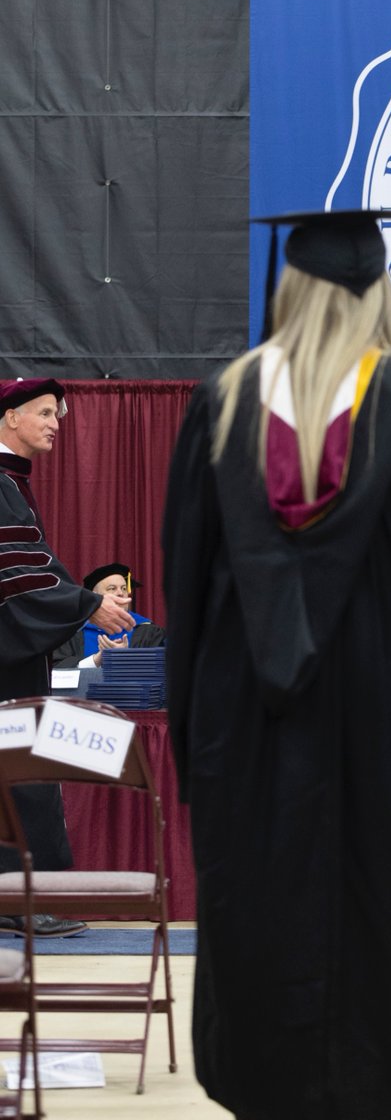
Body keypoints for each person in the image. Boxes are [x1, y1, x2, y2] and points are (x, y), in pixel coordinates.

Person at [161, 209, 391, 1120]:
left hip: (253, 734)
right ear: (378, 290)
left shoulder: (221, 408)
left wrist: (200, 749)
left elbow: (185, 593)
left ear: (291, 289)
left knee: (264, 921)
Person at [0, 378, 134, 938]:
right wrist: (86, 605)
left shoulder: (12, 483)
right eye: (45, 412)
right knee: (22, 773)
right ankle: (28, 903)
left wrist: (81, 605)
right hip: (6, 670)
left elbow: (34, 567)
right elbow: (15, 576)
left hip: (13, 659)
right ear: (10, 417)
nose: (56, 422)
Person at [52, 562, 166, 669]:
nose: (121, 593)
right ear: (94, 597)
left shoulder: (148, 631)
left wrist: (128, 657)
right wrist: (95, 661)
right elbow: (56, 669)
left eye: (124, 588)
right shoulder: (72, 633)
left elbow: (162, 669)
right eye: (112, 588)